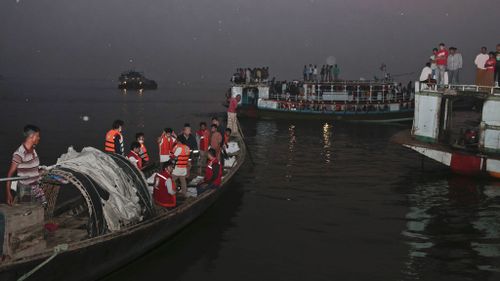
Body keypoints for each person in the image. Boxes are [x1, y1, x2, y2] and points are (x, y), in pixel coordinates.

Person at [5, 125, 46, 206]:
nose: (39, 138)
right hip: (25, 190)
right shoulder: (19, 153)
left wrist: (40, 171)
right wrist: (8, 193)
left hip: (35, 187)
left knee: (37, 210)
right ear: (32, 136)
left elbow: (31, 168)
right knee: (27, 213)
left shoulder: (33, 149)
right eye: (37, 136)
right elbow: (10, 174)